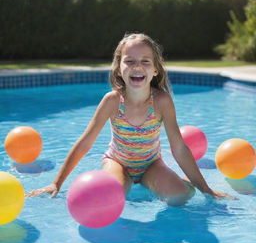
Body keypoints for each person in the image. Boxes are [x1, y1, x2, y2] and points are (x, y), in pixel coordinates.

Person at [27, 33, 235, 205]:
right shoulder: (112, 101)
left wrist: (206, 189)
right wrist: (57, 183)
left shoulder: (161, 101)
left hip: (151, 164)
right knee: (111, 198)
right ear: (119, 67)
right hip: (117, 161)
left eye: (145, 61)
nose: (137, 66)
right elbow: (84, 144)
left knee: (180, 197)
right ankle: (127, 181)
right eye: (130, 61)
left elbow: (179, 148)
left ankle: (176, 181)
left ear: (155, 70)